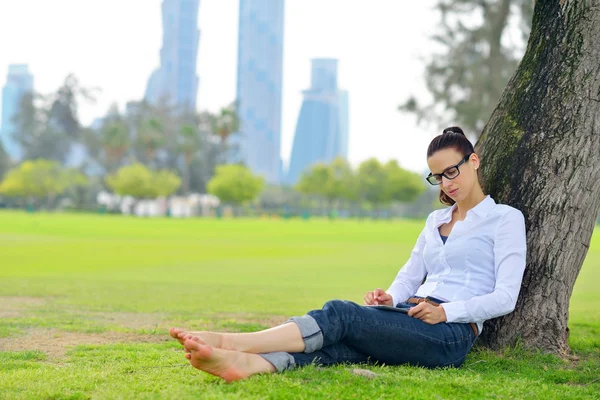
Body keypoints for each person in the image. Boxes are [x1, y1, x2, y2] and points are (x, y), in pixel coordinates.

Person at [169, 126, 527, 382]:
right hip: (408, 313)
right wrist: (391, 296)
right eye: (437, 176)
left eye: (452, 171)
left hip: (451, 333)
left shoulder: (504, 219)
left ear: (474, 161)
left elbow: (505, 296)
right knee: (336, 345)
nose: (447, 182)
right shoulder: (436, 220)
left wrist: (446, 311)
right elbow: (411, 272)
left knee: (341, 314)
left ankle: (232, 343)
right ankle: (247, 366)